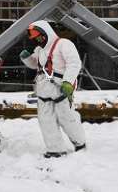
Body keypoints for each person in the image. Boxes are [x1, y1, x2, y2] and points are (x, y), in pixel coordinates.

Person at [20, 20, 86, 158]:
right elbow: (35, 65)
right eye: (35, 38)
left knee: (66, 118)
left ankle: (79, 143)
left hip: (60, 89)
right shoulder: (39, 50)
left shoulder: (63, 44)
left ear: (45, 33)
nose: (38, 40)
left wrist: (68, 82)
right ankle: (55, 149)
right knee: (46, 121)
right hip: (43, 90)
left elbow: (74, 63)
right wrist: (27, 59)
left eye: (39, 37)